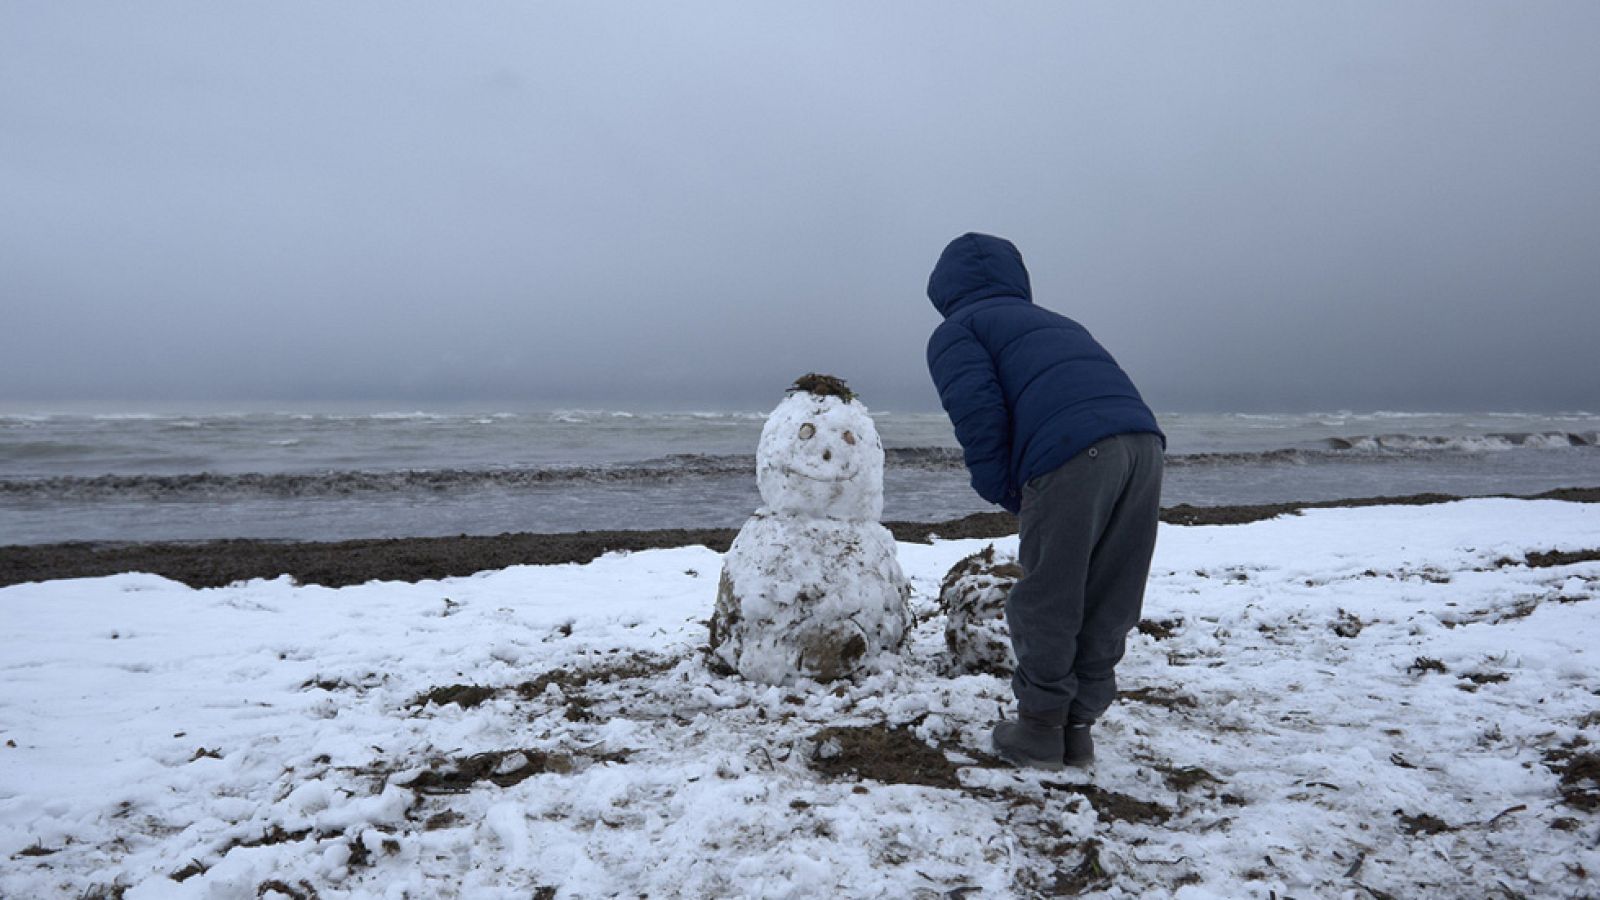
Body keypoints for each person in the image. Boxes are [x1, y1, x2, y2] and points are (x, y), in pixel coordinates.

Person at [924, 232, 1165, 769]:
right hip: (1144, 445)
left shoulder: (958, 330)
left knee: (1050, 593)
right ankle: (1075, 729)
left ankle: (1038, 729)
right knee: (1111, 592)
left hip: (1073, 451)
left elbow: (978, 414)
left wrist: (1011, 490)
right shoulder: (1059, 322)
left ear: (943, 287)